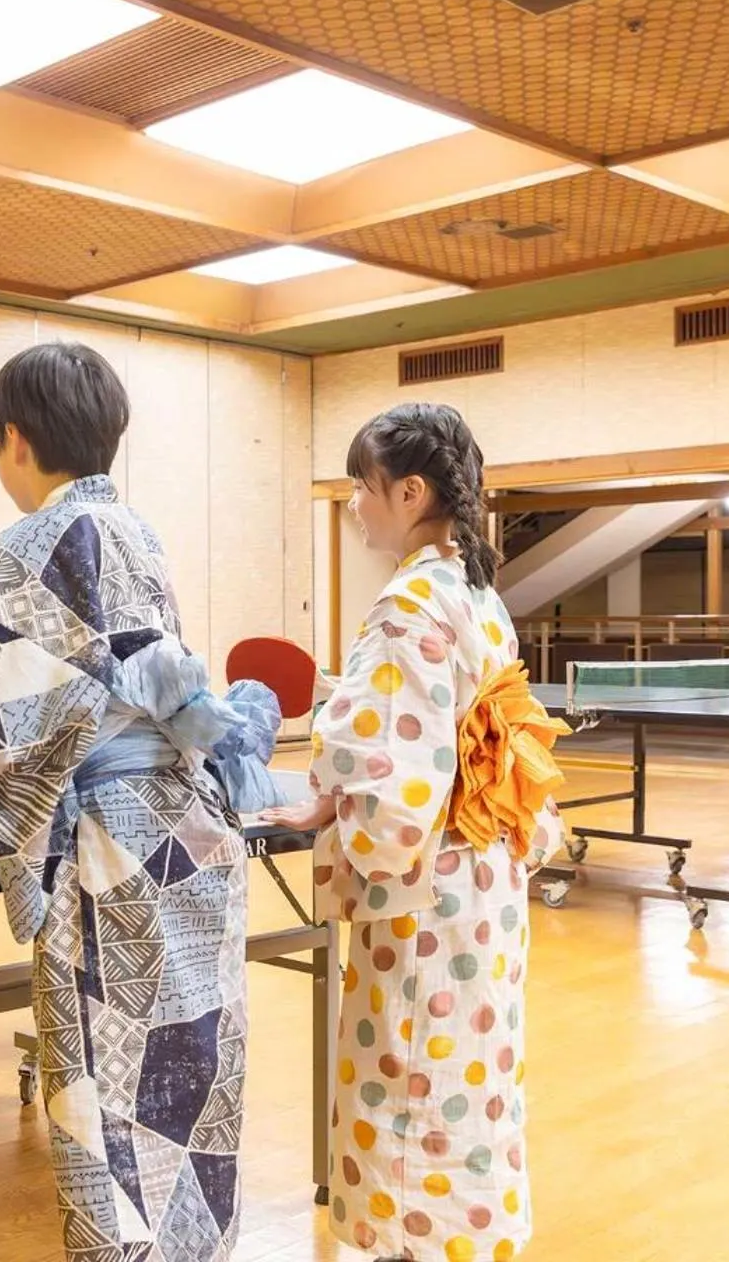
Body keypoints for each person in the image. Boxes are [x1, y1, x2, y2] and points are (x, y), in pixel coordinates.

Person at [0, 341, 278, 1261]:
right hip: (194, 836)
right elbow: (94, 662)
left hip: (115, 857)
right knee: (191, 1075)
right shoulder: (136, 532)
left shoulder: (33, 537)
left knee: (111, 1097)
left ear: (13, 439)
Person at [260, 403, 569, 1262]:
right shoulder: (475, 591)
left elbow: (394, 790)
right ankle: (469, 1236)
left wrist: (336, 801)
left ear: (409, 490)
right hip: (489, 878)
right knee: (475, 1073)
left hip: (429, 890)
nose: (355, 503)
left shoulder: (408, 606)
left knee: (411, 1074)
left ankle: (413, 1244)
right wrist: (339, 786)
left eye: (361, 486)